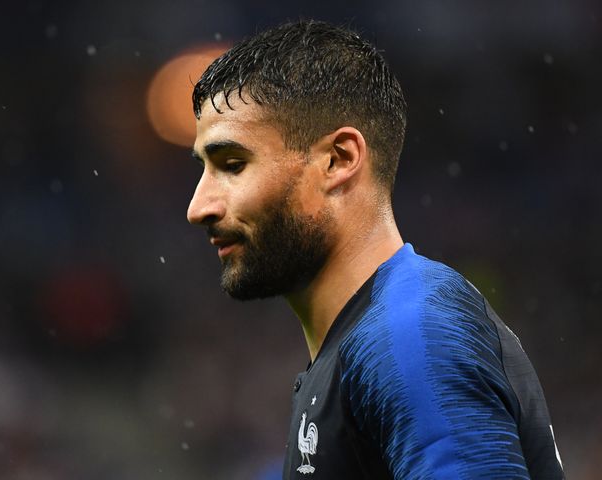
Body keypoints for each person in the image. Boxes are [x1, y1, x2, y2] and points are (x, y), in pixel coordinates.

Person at [186, 20, 564, 479]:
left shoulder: (410, 332)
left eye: (233, 164)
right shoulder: (362, 344)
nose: (198, 206)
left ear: (338, 160)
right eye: (204, 168)